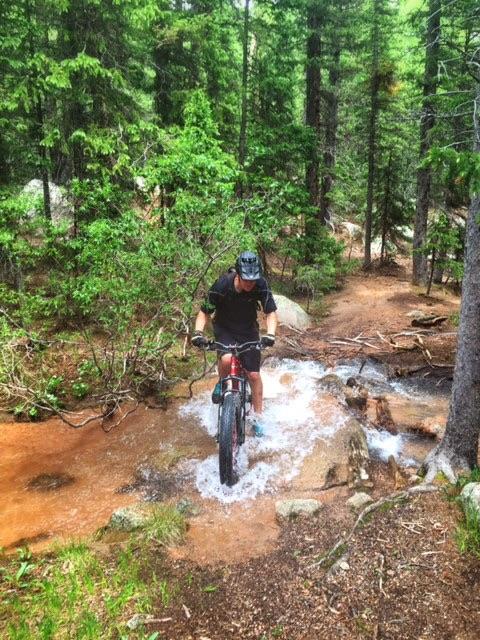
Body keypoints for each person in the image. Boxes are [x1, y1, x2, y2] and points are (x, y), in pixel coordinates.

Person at [191, 251, 278, 436]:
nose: (251, 283)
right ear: (238, 274)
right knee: (226, 359)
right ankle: (223, 384)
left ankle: (258, 417)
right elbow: (204, 311)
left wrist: (270, 334)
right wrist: (198, 333)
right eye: (247, 279)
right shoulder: (222, 284)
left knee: (253, 375)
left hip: (248, 329)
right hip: (225, 328)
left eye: (253, 279)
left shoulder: (260, 284)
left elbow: (270, 312)